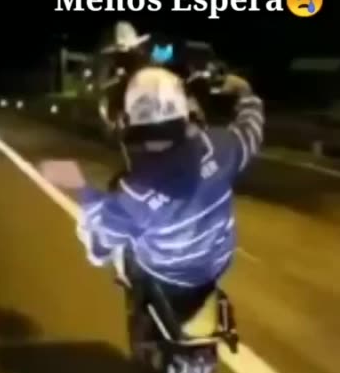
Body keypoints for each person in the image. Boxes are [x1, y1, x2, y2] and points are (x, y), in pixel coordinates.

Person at [72, 65, 265, 300]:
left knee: (116, 243)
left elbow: (99, 249)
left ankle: (138, 299)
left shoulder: (131, 195)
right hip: (219, 263)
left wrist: (89, 208)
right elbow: (250, 128)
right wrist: (246, 93)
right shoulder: (220, 146)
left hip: (167, 277)